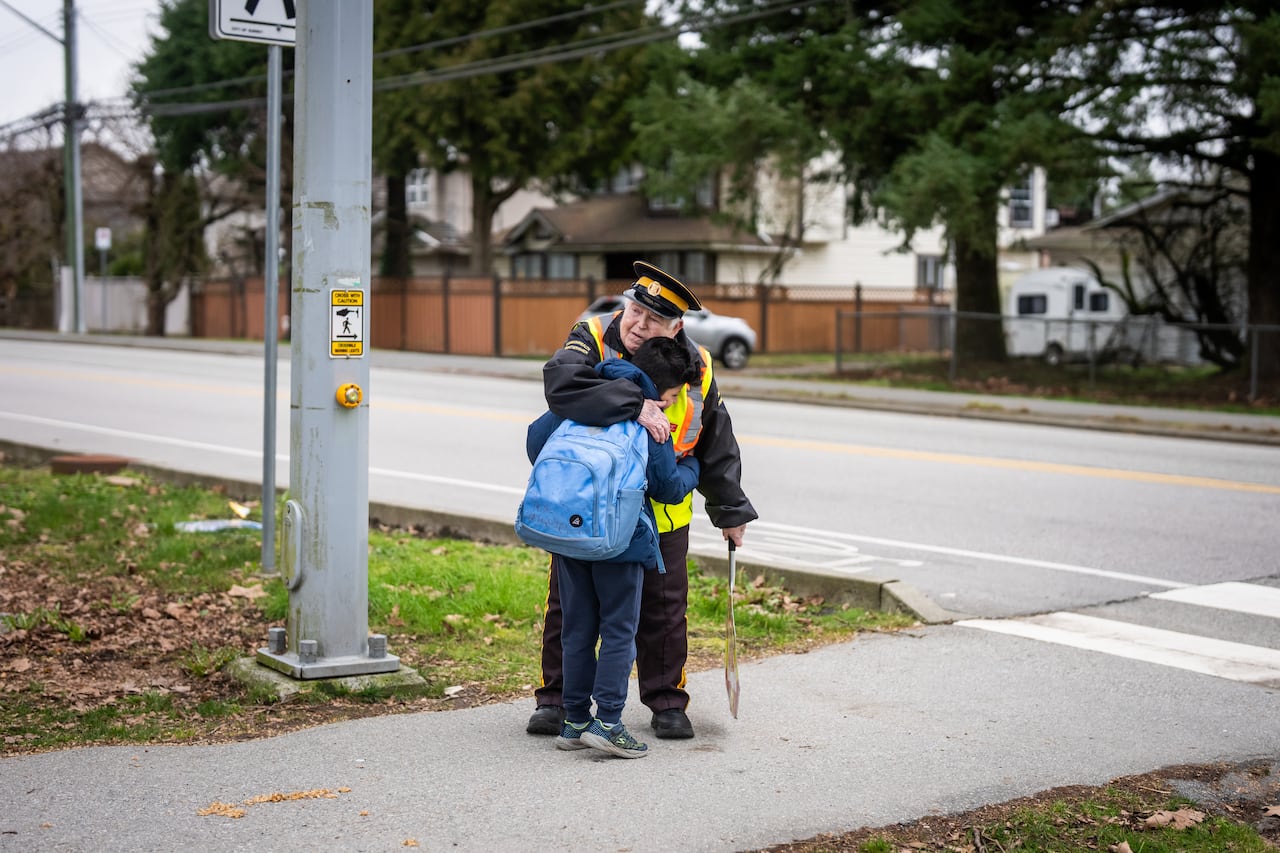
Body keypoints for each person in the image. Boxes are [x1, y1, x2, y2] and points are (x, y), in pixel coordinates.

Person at [527, 260, 757, 740]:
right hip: (588, 507)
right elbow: (562, 386)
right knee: (568, 608)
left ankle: (667, 702)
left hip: (664, 511)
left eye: (653, 321)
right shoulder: (590, 335)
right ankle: (557, 700)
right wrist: (636, 404)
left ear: (675, 330)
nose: (637, 326)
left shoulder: (697, 366)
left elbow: (715, 438)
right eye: (634, 312)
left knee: (666, 610)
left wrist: (730, 510)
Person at [525, 337, 702, 758]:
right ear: (662, 390)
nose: (672, 402)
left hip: (571, 537)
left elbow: (536, 443)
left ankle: (573, 721)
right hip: (620, 542)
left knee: (578, 630)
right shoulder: (650, 419)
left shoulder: (587, 394)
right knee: (619, 632)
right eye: (675, 395)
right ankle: (608, 722)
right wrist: (693, 465)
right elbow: (668, 488)